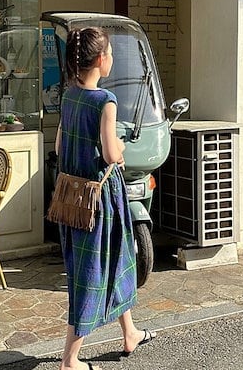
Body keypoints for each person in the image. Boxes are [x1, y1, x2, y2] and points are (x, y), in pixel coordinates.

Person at [55, 27, 156, 370]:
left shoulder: (69, 96)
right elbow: (112, 154)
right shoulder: (105, 101)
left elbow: (60, 146)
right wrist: (121, 147)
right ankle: (70, 359)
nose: (111, 58)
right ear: (100, 59)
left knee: (117, 260)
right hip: (100, 200)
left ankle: (130, 333)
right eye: (110, 53)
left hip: (72, 197)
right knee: (92, 274)